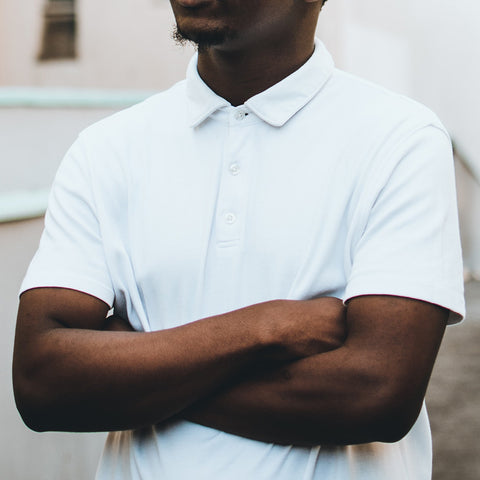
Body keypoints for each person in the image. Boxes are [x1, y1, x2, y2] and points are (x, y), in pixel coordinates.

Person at [13, 0, 465, 479]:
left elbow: (378, 395)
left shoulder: (400, 140)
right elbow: (43, 384)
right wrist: (265, 328)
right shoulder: (105, 149)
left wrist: (138, 370)